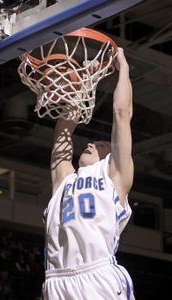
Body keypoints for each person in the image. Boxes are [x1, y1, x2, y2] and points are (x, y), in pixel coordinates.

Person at [43, 47, 135, 300]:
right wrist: (85, 82)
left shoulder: (114, 176)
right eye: (92, 142)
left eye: (101, 144)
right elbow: (63, 132)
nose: (92, 144)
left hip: (98, 276)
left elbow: (122, 114)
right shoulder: (64, 180)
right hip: (56, 280)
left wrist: (122, 69)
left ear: (111, 155)